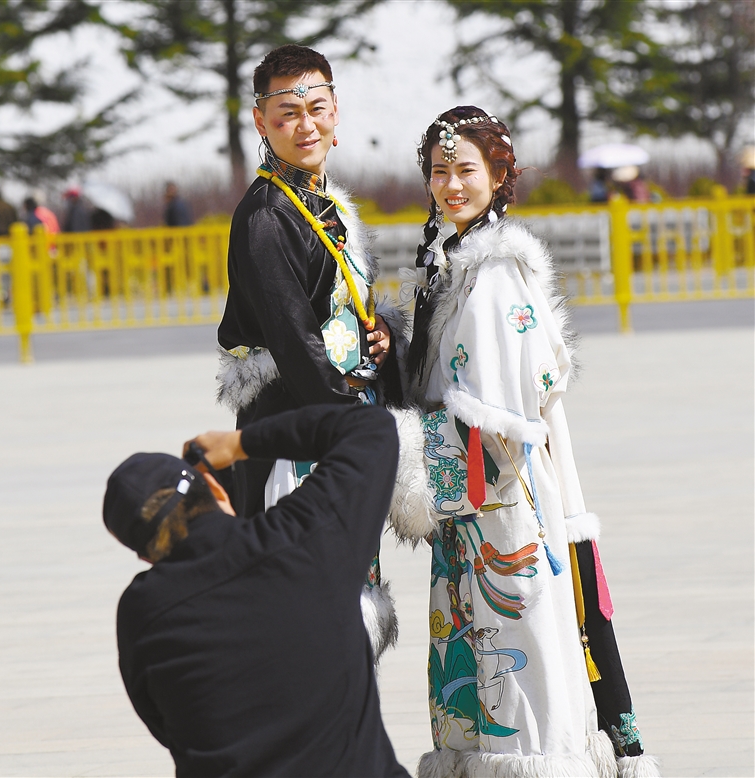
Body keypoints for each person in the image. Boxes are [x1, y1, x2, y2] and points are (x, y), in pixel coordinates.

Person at [388, 106, 659, 778]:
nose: (451, 184)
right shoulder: (453, 260)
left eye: (466, 169)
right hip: (470, 506)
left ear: (498, 175)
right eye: (439, 171)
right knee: (482, 657)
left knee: (517, 658)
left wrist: (411, 462)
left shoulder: (495, 273)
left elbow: (500, 421)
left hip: (500, 501)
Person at [216, 44, 407, 660]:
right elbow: (294, 339)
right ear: (261, 121)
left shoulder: (328, 203)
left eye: (317, 108)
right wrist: (358, 426)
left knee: (349, 602)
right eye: (287, 114)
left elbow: (340, 308)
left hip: (337, 418)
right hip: (300, 431)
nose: (306, 126)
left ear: (335, 111)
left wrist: (382, 335)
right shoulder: (266, 216)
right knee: (309, 607)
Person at [106, 403, 410, 778]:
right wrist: (240, 444)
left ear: (144, 554)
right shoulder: (303, 540)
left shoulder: (141, 612)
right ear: (215, 489)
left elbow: (167, 725)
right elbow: (371, 427)